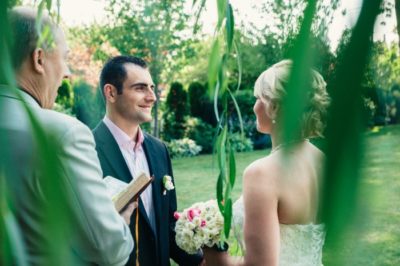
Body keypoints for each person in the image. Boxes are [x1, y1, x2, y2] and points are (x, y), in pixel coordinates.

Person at [0, 7, 135, 265]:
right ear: (39, 59)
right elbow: (108, 249)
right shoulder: (62, 135)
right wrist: (117, 223)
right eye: (64, 58)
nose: (67, 73)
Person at [202, 60, 330, 266]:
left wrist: (216, 257)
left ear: (275, 107)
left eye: (258, 99)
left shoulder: (262, 172)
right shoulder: (321, 159)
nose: (254, 107)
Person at [93, 55, 203, 266]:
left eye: (152, 88)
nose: (152, 97)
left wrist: (202, 260)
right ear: (111, 92)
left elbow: (168, 226)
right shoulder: (87, 150)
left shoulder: (159, 150)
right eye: (140, 88)